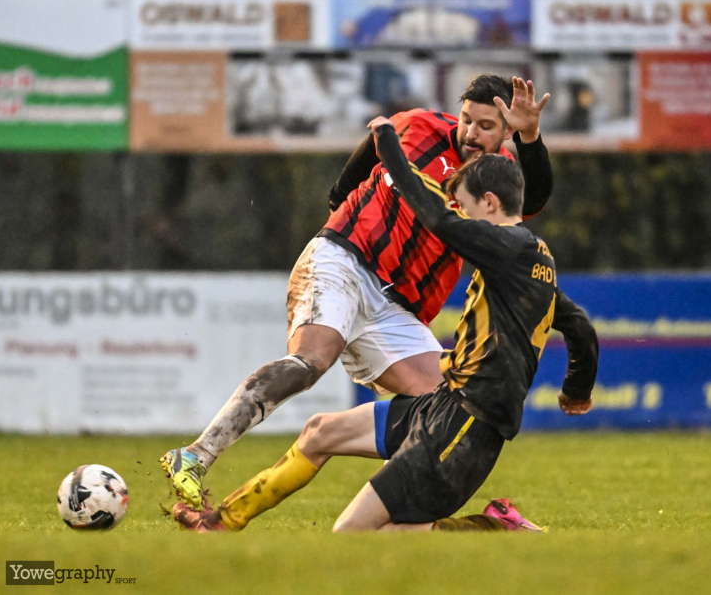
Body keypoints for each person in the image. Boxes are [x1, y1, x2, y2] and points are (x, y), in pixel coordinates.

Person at [171, 120, 597, 533]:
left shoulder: (506, 245)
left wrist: (388, 144)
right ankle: (221, 523)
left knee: (354, 532)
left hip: (464, 427)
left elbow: (439, 220)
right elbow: (580, 328)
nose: (462, 215)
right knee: (321, 432)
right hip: (445, 405)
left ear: (489, 203)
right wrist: (575, 390)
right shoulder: (531, 260)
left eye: (466, 206)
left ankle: (494, 529)